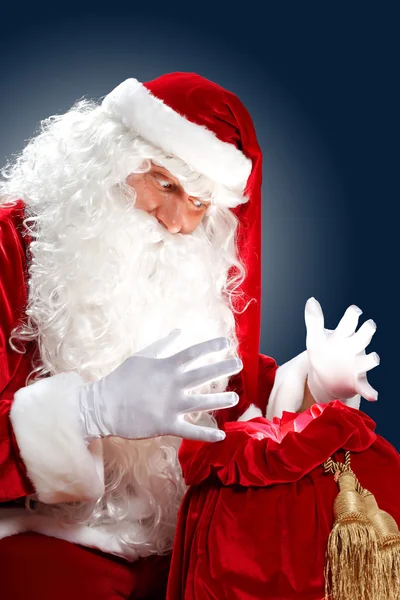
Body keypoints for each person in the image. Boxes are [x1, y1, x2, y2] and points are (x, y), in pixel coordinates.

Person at [0, 73, 381, 599]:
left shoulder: (187, 261)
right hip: (39, 531)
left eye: (201, 204)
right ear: (110, 161)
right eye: (165, 184)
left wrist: (310, 382)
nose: (180, 222)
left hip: (174, 533)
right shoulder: (11, 244)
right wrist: (89, 411)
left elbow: (219, 402)